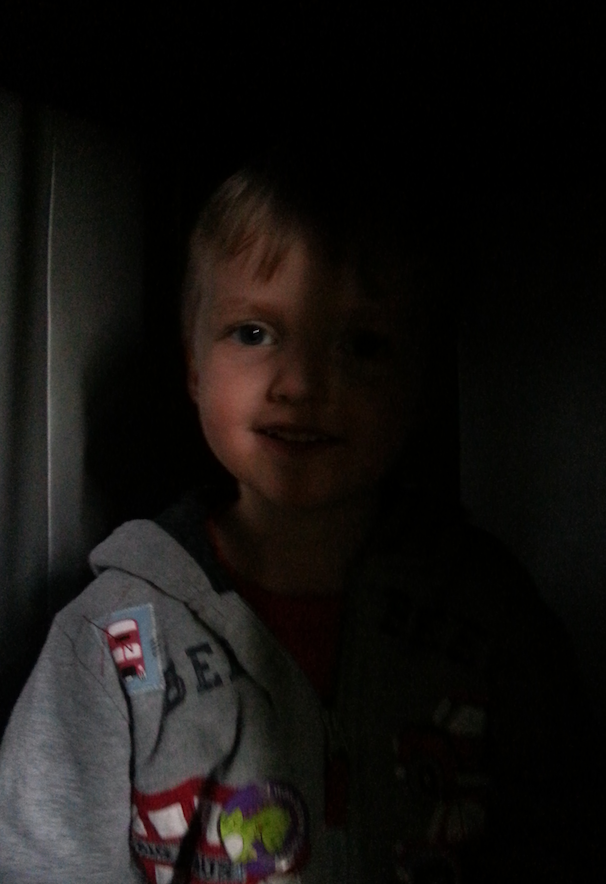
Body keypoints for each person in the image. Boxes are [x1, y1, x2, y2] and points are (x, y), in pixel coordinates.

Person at [0, 144, 600, 884]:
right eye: (254, 332)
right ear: (194, 368)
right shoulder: (111, 634)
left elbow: (565, 835)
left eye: (362, 344)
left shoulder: (493, 614)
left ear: (418, 385)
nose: (303, 383)